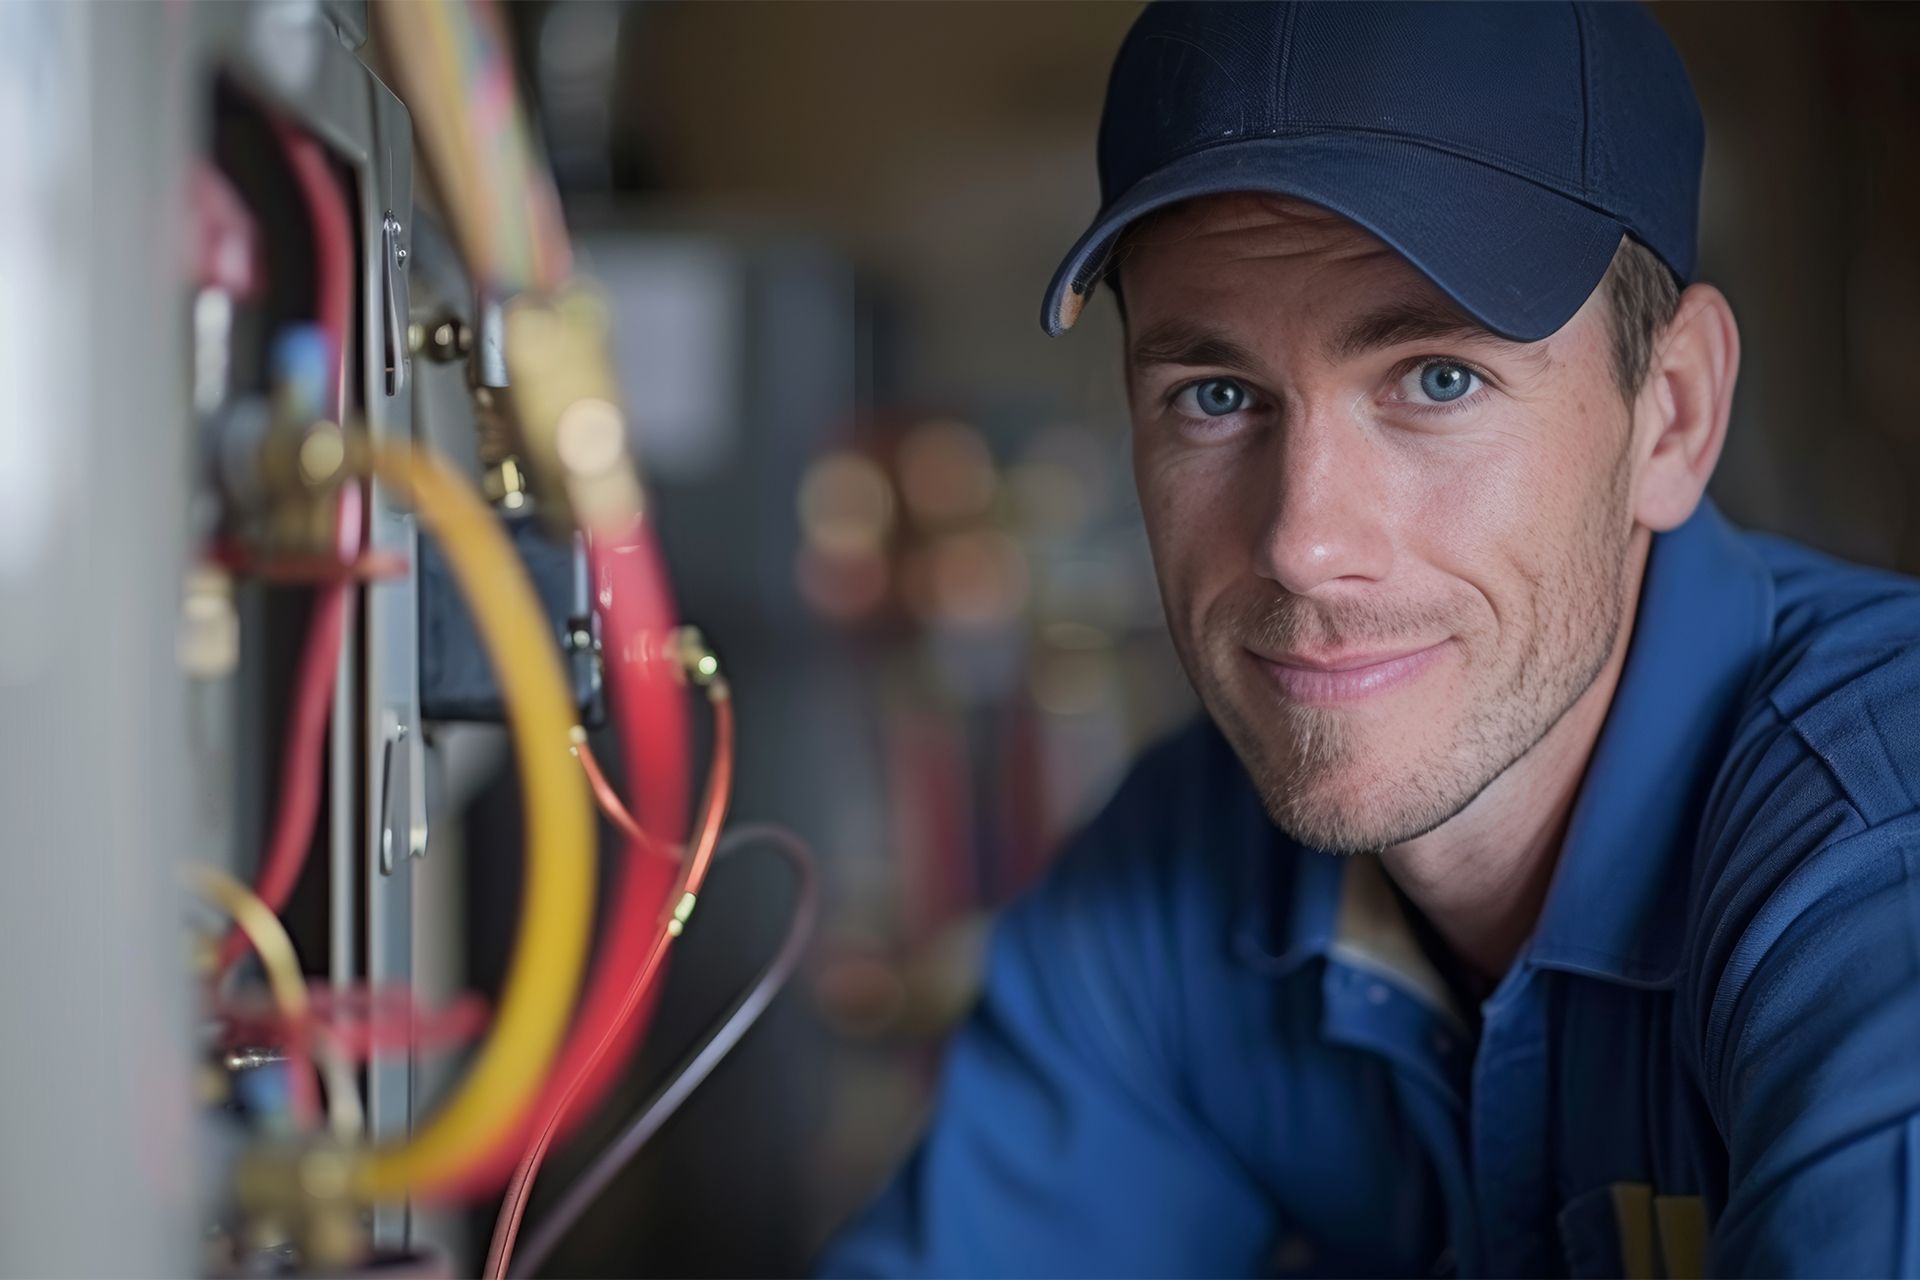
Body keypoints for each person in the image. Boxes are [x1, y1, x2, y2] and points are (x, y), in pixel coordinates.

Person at [822, 3, 1920, 1276]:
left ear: (1670, 415)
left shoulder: (1874, 853)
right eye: (1216, 396)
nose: (1302, 540)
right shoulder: (1172, 884)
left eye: (1436, 379)